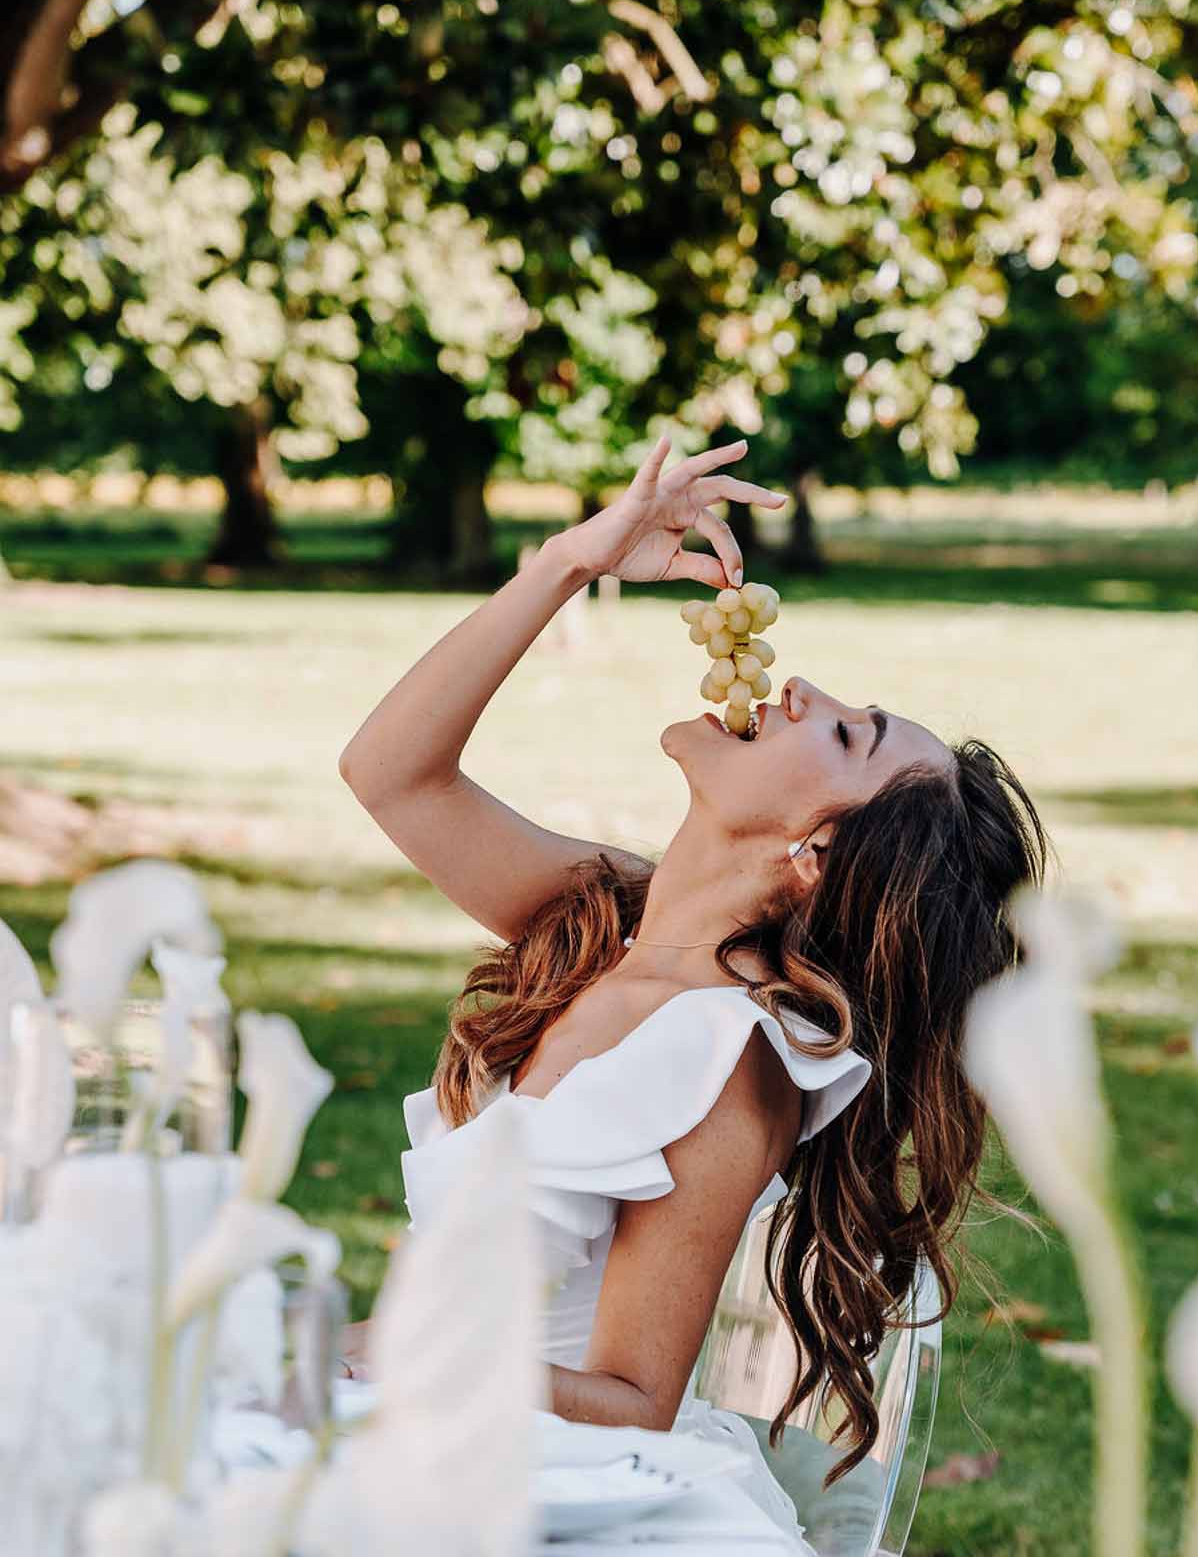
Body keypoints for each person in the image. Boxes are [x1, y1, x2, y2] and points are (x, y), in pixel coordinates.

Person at [338, 436, 1047, 1488]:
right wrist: (570, 562)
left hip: (523, 1496)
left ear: (813, 857)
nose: (799, 685)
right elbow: (389, 771)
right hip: (407, 1430)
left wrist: (364, 1355)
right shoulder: (605, 919)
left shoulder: (728, 1062)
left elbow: (633, 1400)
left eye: (848, 735)